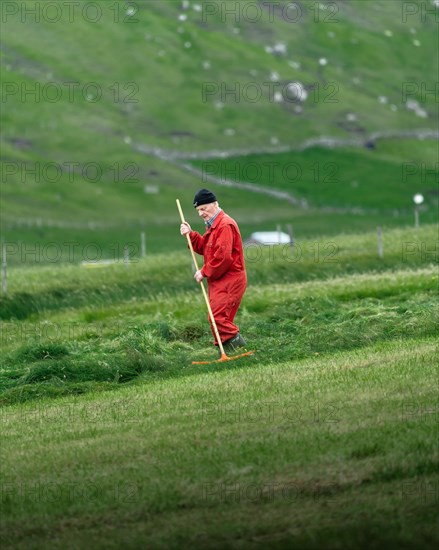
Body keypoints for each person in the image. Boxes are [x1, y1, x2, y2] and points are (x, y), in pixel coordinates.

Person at [180, 188, 247, 354]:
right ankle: (228, 355)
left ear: (215, 204)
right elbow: (207, 249)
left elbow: (222, 258)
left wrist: (204, 271)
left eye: (203, 208)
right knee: (218, 318)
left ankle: (241, 350)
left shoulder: (224, 225)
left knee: (217, 318)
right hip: (219, 280)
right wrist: (191, 235)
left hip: (230, 280)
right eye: (198, 210)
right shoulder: (213, 226)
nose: (201, 213)